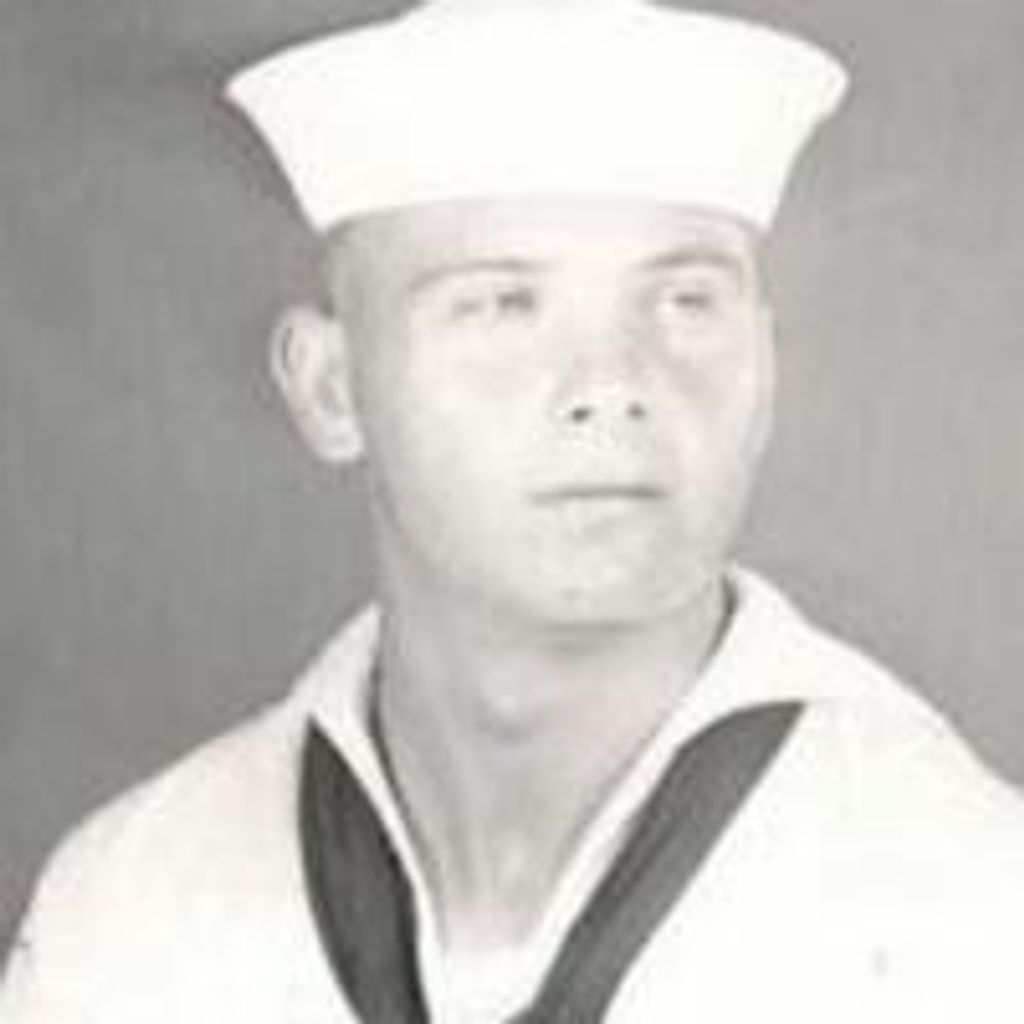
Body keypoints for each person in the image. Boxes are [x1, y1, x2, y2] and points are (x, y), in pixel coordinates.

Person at [3, 1, 1024, 1021]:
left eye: (684, 302)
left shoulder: (968, 907)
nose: (612, 384)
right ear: (332, 388)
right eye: (499, 304)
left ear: (763, 369)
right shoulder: (132, 911)